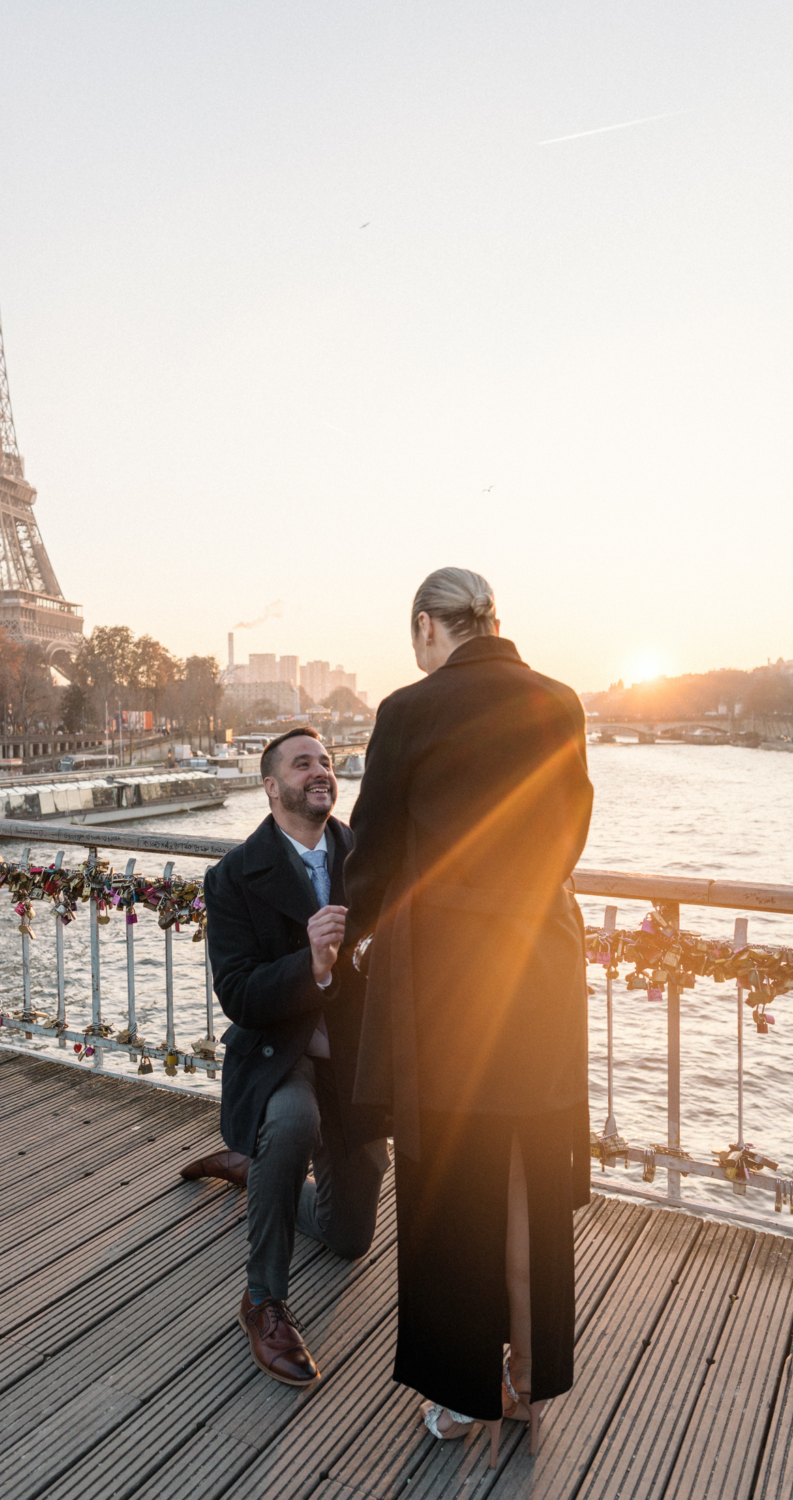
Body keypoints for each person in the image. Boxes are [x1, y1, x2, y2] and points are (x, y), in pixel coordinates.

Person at [344, 567, 593, 1466]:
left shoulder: (410, 709)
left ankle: (458, 1397)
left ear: (425, 629)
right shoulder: (558, 700)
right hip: (537, 972)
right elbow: (569, 830)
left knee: (450, 1187)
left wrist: (351, 924)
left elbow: (371, 850)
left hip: (448, 987)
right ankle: (528, 1381)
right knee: (528, 1178)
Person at [181, 727, 389, 1387]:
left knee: (349, 1238)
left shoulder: (369, 858)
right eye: (302, 765)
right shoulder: (234, 877)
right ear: (270, 785)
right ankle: (263, 1302)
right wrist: (312, 965)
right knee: (293, 1122)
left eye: (325, 762)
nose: (320, 772)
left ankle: (256, 1170)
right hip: (281, 1055)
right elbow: (238, 994)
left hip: (353, 1062)